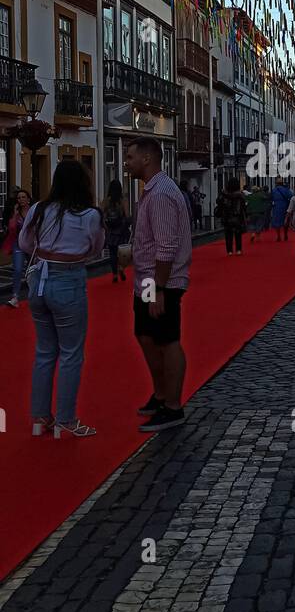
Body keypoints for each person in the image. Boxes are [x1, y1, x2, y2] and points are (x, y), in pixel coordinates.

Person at [19, 161, 104, 438]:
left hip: (39, 281)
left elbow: (25, 243)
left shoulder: (39, 209)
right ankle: (65, 418)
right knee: (71, 353)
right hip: (68, 278)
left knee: (44, 352)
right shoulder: (89, 215)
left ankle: (40, 416)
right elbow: (95, 248)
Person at [125, 137, 192, 433]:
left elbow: (166, 246)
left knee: (166, 338)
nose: (126, 163)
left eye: (130, 157)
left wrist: (159, 290)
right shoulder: (151, 190)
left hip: (160, 280)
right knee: (144, 334)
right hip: (148, 279)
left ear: (147, 160)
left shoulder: (162, 193)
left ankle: (173, 406)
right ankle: (161, 393)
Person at [4, 188, 31, 306]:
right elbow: (12, 228)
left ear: (28, 199)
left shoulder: (33, 211)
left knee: (33, 270)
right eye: (19, 198)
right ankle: (15, 297)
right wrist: (14, 215)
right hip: (18, 244)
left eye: (23, 197)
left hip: (31, 245)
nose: (21, 200)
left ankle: (35, 294)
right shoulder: (16, 213)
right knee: (18, 270)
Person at [102, 179, 130, 283]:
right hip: (121, 231)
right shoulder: (123, 201)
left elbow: (102, 216)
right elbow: (127, 216)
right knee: (122, 253)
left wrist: (106, 228)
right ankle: (121, 268)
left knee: (112, 254)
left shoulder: (106, 201)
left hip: (111, 231)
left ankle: (114, 274)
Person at [216, 177, 247, 255]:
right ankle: (238, 250)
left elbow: (219, 202)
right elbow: (244, 206)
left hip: (227, 216)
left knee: (228, 234)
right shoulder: (240, 195)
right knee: (238, 233)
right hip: (237, 216)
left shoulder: (224, 194)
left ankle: (229, 250)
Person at [271, 177, 292, 242]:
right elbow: (291, 195)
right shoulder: (286, 189)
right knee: (285, 220)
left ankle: (278, 235)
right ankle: (285, 234)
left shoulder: (274, 190)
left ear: (276, 184)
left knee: (277, 221)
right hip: (285, 205)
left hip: (276, 206)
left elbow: (271, 198)